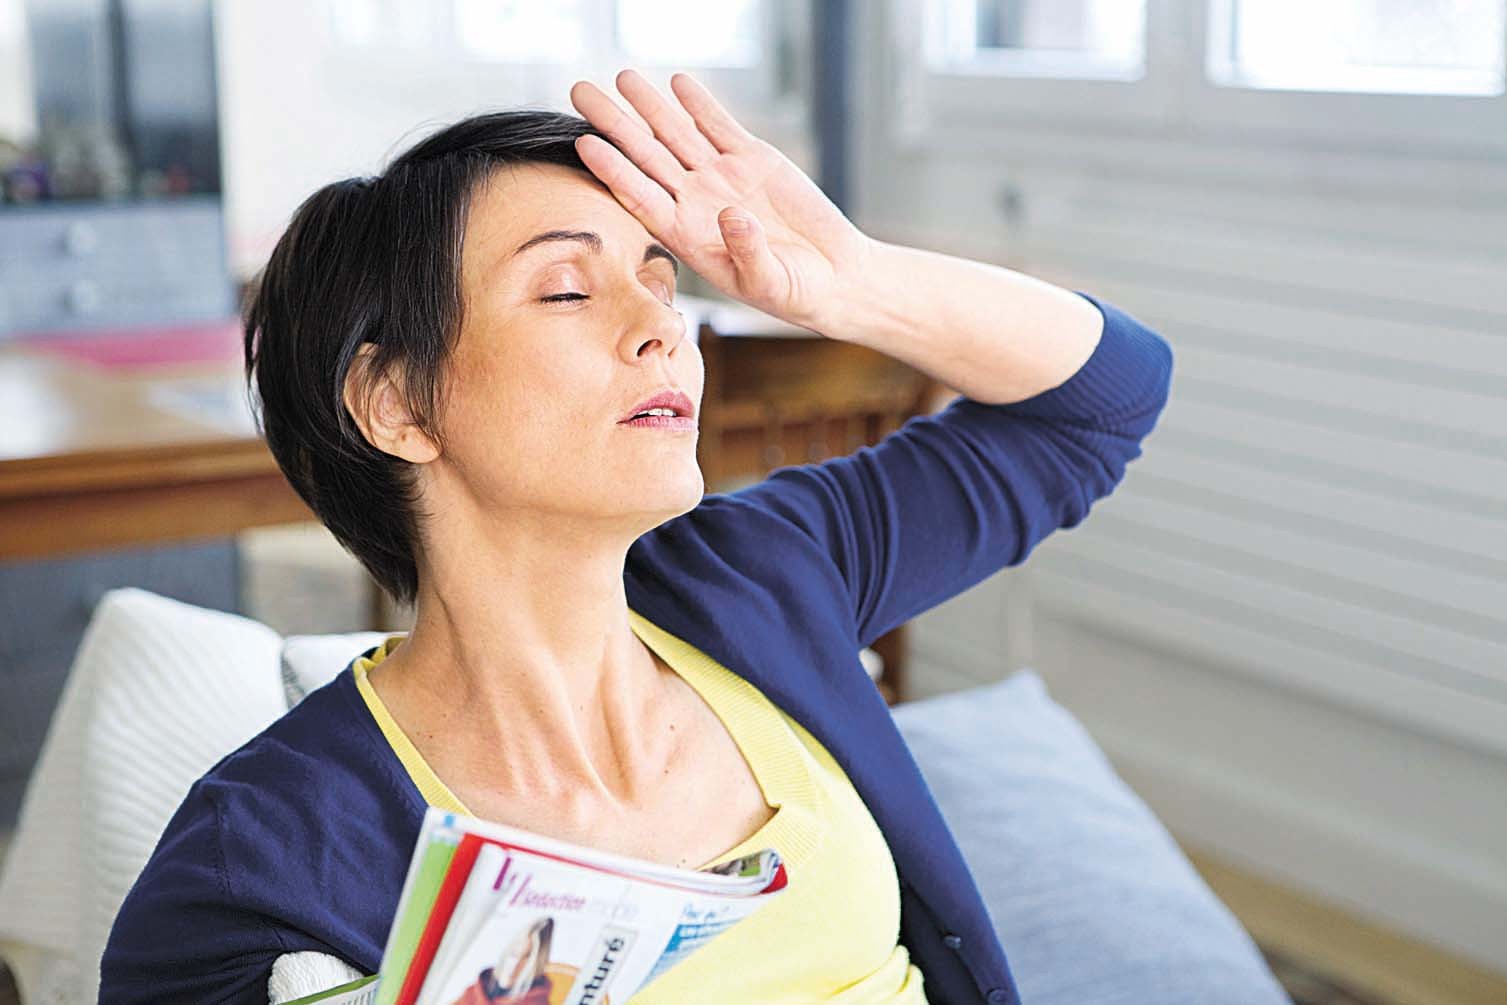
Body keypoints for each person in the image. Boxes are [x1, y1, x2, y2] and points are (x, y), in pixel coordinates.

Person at [99, 69, 1173, 1004]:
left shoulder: (758, 572)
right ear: (396, 404)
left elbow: (1099, 401)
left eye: (661, 281)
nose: (665, 325)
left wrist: (850, 276)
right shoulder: (262, 854)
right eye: (567, 289)